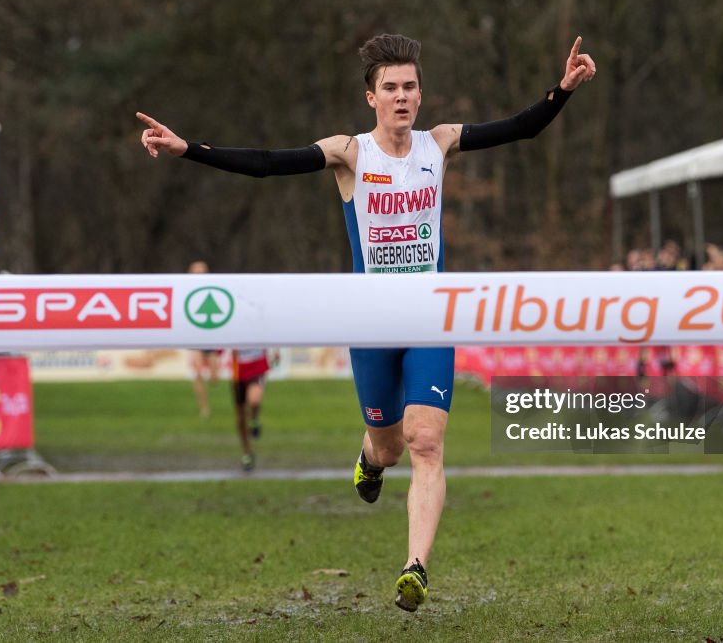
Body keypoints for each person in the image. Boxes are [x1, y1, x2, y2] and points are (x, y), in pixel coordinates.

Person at [138, 33, 595, 611]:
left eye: (409, 87)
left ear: (420, 95)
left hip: (430, 316)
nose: (401, 97)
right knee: (389, 449)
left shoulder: (441, 143)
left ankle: (415, 568)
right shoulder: (350, 154)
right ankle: (368, 460)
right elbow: (265, 165)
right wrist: (189, 150)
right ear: (371, 98)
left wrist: (563, 90)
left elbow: (522, 127)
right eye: (390, 88)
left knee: (425, 440)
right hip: (371, 322)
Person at [229, 348, 275, 472]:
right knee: (240, 415)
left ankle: (254, 419)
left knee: (254, 400)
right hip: (238, 370)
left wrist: (276, 349)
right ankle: (247, 452)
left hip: (257, 366)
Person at [187, 260, 221, 419]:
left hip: (210, 334)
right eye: (196, 273)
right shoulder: (185, 291)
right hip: (194, 335)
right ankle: (204, 408)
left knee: (214, 378)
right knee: (198, 372)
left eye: (202, 272)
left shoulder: (213, 290)